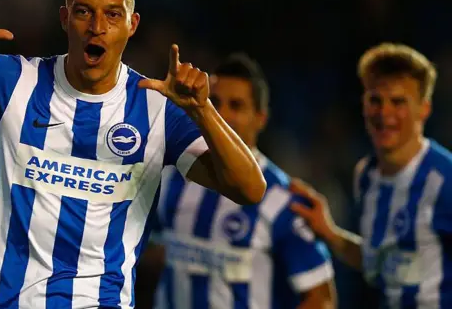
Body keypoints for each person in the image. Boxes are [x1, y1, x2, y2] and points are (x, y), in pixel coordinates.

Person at [0, 0, 266, 309]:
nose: (97, 27)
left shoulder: (156, 107)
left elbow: (250, 189)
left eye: (112, 15)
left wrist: (203, 109)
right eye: (84, 12)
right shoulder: (15, 80)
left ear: (132, 25)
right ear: (65, 19)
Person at [135, 53, 336, 309]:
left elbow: (321, 298)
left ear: (260, 118)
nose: (223, 114)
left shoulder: (283, 200)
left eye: (237, 105)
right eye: (215, 102)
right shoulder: (174, 177)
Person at [290, 43, 452, 308]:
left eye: (398, 102)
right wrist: (331, 233)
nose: (384, 113)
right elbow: (379, 263)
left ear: (424, 109)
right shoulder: (366, 174)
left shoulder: (445, 180)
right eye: (375, 100)